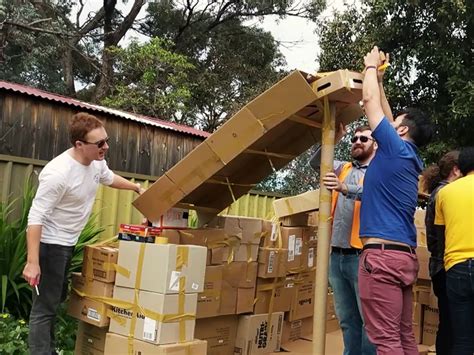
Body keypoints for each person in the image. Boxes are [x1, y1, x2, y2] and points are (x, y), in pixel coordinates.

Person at [23, 112, 145, 355]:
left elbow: (108, 178)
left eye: (106, 141)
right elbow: (35, 218)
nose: (106, 147)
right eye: (99, 143)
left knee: (54, 302)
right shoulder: (58, 173)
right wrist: (32, 262)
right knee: (44, 308)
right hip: (49, 245)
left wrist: (135, 188)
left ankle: (49, 350)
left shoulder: (96, 162)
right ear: (79, 144)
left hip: (67, 243)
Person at [357, 46, 434, 355]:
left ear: (401, 131)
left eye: (395, 124)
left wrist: (370, 67)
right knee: (402, 338)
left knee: (387, 342)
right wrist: (382, 78)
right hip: (402, 257)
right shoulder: (408, 157)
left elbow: (370, 103)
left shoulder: (394, 149)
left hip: (381, 258)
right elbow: (386, 114)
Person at [309, 124, 377, 355]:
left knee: (369, 321)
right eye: (355, 138)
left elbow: (373, 193)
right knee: (347, 319)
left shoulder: (379, 172)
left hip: (362, 257)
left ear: (375, 144)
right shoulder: (343, 167)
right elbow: (316, 164)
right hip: (336, 256)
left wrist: (344, 187)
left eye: (364, 139)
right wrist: (334, 139)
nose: (357, 141)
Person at [434, 146, 474, 355]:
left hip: (456, 268)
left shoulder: (445, 193)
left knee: (462, 340)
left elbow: (441, 235)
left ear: (460, 167)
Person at [422, 150, 461, 355]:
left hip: (441, 266)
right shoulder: (445, 194)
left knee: (449, 322)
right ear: (456, 171)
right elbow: (443, 236)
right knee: (451, 323)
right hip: (447, 266)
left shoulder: (439, 192)